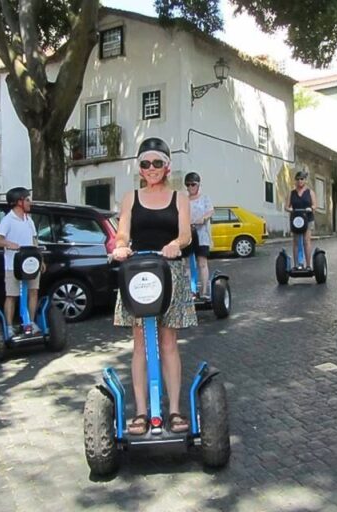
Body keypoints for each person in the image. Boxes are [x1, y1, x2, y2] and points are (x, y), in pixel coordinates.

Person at [112, 137, 196, 435]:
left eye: (157, 163)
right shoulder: (130, 197)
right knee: (140, 345)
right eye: (145, 163)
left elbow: (185, 235)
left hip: (169, 271)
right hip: (138, 274)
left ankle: (173, 410)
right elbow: (122, 234)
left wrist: (175, 244)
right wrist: (121, 247)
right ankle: (142, 412)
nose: (151, 168)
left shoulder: (179, 198)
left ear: (167, 166)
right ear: (140, 167)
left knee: (168, 343)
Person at [0, 187, 43, 334]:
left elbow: (35, 242)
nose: (30, 202)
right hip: (13, 266)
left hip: (31, 265)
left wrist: (41, 260)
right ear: (18, 202)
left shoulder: (29, 221)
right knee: (12, 296)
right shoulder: (8, 220)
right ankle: (9, 327)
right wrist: (10, 244)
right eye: (27, 199)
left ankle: (31, 323)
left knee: (33, 292)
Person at [185, 171, 214, 299]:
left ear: (198, 185)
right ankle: (191, 291)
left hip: (201, 234)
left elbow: (210, 211)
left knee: (202, 263)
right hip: (187, 234)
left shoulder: (205, 198)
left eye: (193, 184)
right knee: (188, 264)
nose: (191, 187)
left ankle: (204, 291)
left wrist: (203, 218)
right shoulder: (184, 200)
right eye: (188, 185)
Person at [285, 170, 317, 268]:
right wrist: (290, 209)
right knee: (295, 241)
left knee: (306, 241)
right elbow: (286, 206)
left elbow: (315, 205)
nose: (299, 181)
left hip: (307, 219)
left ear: (305, 180)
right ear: (295, 181)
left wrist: (310, 208)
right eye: (298, 179)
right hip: (296, 220)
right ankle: (296, 265)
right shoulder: (292, 193)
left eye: (302, 179)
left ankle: (308, 265)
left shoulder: (310, 192)